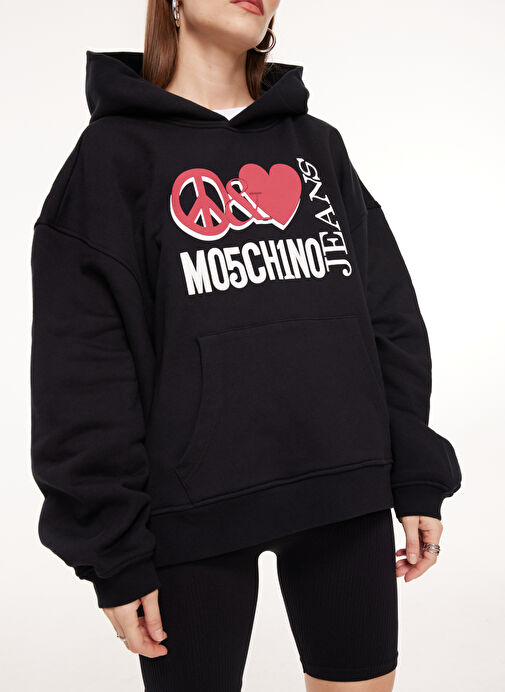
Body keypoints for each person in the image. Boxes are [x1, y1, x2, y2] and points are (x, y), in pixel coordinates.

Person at [29, 0, 462, 690]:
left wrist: (415, 471)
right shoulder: (111, 159)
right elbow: (81, 368)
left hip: (343, 492)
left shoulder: (316, 147)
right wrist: (113, 551)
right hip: (191, 515)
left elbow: (388, 319)